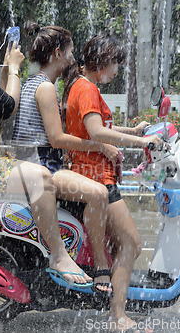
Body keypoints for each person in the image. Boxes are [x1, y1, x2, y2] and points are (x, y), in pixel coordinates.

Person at [0, 17, 92, 287]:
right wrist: (13, 68)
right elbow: (10, 104)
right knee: (41, 178)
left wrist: (6, 71)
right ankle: (59, 255)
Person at [12, 22, 120, 295]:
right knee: (97, 194)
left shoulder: (34, 82)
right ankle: (99, 266)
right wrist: (99, 146)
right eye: (71, 52)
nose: (74, 59)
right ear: (58, 53)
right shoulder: (46, 88)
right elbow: (57, 139)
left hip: (35, 161)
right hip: (42, 164)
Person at [64, 33, 160, 330]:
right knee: (131, 244)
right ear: (102, 61)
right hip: (98, 180)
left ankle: (114, 305)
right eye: (115, 64)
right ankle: (118, 316)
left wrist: (131, 128)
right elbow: (95, 132)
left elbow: (96, 125)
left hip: (93, 175)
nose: (117, 72)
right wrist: (140, 140)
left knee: (127, 244)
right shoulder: (88, 89)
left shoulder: (81, 85)